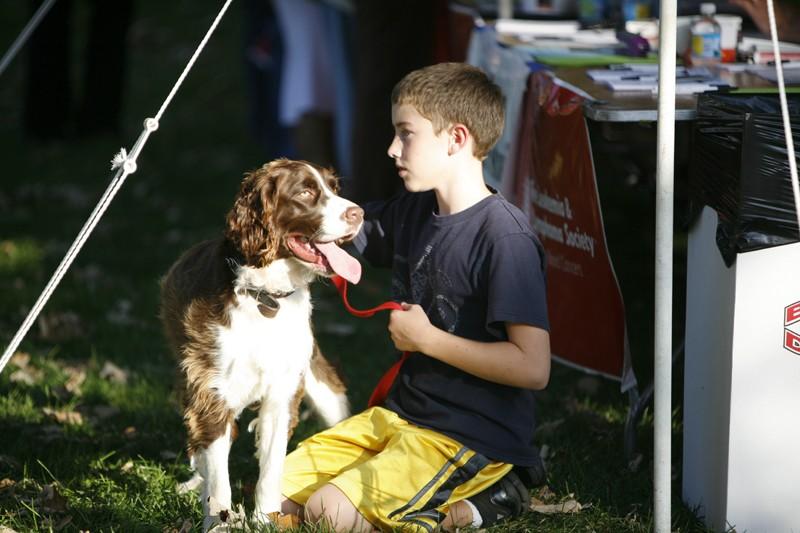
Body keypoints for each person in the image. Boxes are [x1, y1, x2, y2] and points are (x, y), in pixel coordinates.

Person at [279, 62, 552, 532]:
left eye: (406, 134)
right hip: (400, 417)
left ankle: (498, 492)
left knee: (326, 513)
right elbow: (349, 230)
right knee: (275, 491)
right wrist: (283, 220)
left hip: (470, 436)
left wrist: (428, 341)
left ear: (456, 139)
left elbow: (533, 367)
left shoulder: (505, 239)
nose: (392, 149)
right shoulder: (414, 210)